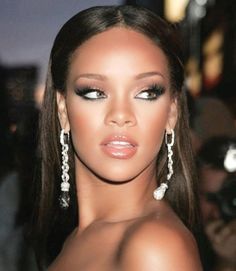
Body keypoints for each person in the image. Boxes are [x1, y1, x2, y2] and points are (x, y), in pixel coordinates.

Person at [31, 5, 203, 270]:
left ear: (172, 111)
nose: (121, 115)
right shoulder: (77, 238)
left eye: (146, 93)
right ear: (63, 109)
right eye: (94, 92)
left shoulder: (155, 248)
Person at [197, 136, 236, 271]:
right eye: (210, 198)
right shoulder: (182, 244)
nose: (218, 210)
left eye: (230, 196)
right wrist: (226, 265)